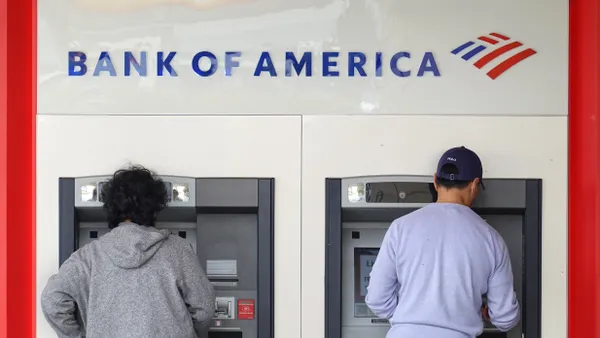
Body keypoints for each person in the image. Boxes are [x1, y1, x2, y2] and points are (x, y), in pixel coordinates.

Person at [41, 165, 216, 338]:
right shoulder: (178, 250)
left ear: (111, 208)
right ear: (154, 207)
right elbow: (205, 308)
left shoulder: (87, 257)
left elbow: (52, 301)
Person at [365, 146, 520, 338]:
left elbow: (376, 300)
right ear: (474, 184)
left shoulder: (401, 227)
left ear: (435, 181)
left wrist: (410, 320)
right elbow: (505, 318)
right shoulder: (491, 239)